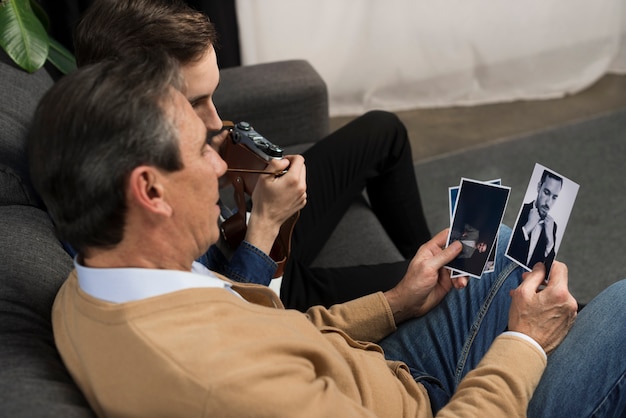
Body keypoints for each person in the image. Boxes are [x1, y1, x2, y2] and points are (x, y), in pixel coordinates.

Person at [28, 52, 625, 417]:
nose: (221, 166)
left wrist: (395, 302)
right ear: (150, 191)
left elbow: (280, 335)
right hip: (422, 403)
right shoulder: (216, 383)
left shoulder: (99, 282)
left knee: (497, 260)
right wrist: (520, 347)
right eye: (201, 152)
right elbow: (256, 368)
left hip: (373, 372)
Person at [71, 0, 432, 311]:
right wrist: (268, 220)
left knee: (384, 131)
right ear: (133, 105)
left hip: (243, 232)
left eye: (212, 95)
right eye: (196, 102)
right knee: (436, 277)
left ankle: (415, 250)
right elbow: (233, 315)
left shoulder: (124, 136)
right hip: (270, 288)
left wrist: (216, 170)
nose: (214, 120)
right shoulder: (131, 216)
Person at [507, 169, 562, 273]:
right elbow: (507, 254)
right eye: (546, 192)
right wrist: (526, 229)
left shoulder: (552, 226)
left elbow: (546, 271)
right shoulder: (522, 210)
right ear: (539, 187)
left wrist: (550, 242)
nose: (548, 203)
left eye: (554, 197)